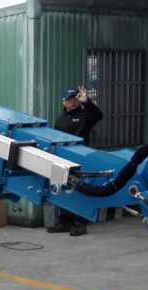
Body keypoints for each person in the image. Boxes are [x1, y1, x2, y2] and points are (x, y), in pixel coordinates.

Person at [47, 86, 103, 236]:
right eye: (69, 99)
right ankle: (65, 221)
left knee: (81, 189)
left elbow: (98, 115)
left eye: (75, 98)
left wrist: (87, 102)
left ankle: (81, 222)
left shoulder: (85, 115)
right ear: (63, 101)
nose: (72, 101)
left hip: (81, 159)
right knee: (65, 189)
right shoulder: (60, 119)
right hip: (64, 159)